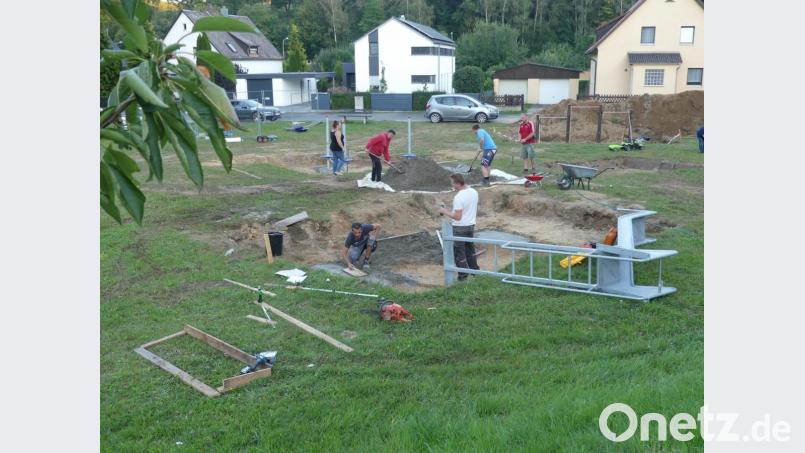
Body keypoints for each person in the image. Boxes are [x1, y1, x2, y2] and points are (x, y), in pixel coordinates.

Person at [438, 173, 480, 281]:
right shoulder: (473, 192)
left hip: (460, 228)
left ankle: (462, 275)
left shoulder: (459, 197)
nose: (452, 185)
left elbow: (457, 216)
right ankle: (475, 271)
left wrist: (444, 211)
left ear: (457, 184)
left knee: (459, 253)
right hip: (470, 225)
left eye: (452, 183)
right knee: (470, 250)